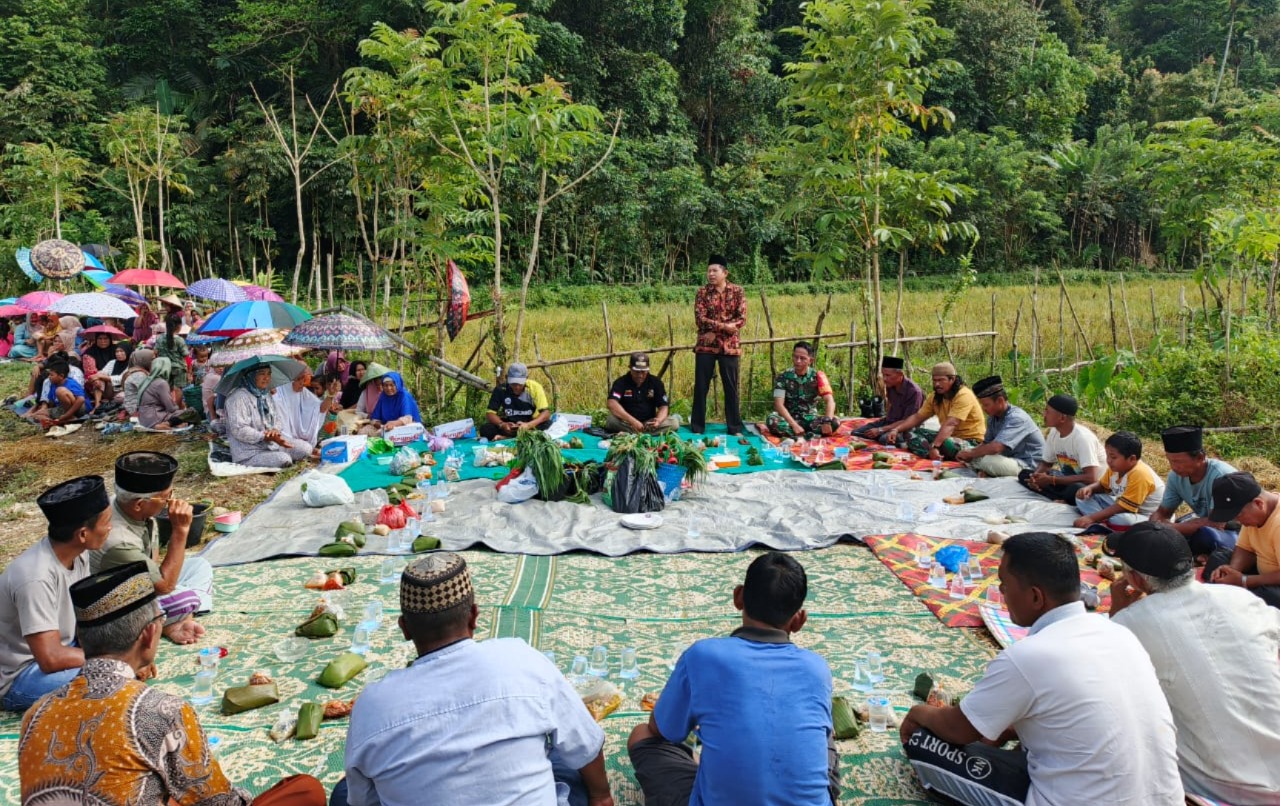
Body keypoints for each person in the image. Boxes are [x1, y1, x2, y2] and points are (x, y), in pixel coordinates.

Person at [900, 531, 1183, 806]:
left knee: (924, 741)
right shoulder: (1118, 633)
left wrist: (918, 713)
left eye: (1004, 584)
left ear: (1036, 597)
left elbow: (957, 730)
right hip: (1165, 798)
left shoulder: (1027, 656)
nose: (1002, 592)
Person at [19, 561, 326, 806]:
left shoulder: (35, 713)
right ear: (150, 635)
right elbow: (217, 801)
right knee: (305, 791)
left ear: (82, 640)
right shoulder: (161, 711)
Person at [335, 553, 614, 806]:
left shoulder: (372, 705)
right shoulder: (520, 658)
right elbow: (585, 745)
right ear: (474, 616)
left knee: (344, 792)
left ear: (405, 629)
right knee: (561, 761)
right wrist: (601, 797)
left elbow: (364, 801)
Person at [628, 552, 839, 806]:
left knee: (641, 736)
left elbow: (661, 729)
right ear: (798, 620)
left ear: (738, 596)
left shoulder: (703, 655)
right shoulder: (817, 668)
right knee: (823, 733)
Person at [1105, 521, 1280, 803]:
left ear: (1135, 579)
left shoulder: (1127, 624)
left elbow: (1108, 678)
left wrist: (1117, 613)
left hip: (1222, 784)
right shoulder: (1237, 596)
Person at [0, 476, 111, 711]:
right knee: (112, 680)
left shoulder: (79, 554)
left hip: (61, 649)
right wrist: (112, 661)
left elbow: (85, 617)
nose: (110, 529)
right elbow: (50, 658)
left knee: (125, 653)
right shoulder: (35, 577)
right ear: (82, 534)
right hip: (21, 674)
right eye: (107, 522)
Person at [91, 451, 213, 645]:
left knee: (200, 566)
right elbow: (165, 587)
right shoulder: (118, 540)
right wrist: (180, 531)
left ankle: (178, 618)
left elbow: (154, 566)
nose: (172, 501)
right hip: (118, 602)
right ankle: (174, 620)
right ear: (139, 504)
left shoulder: (130, 507)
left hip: (143, 583)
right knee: (185, 598)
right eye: (166, 497)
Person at [1150, 425, 1238, 559]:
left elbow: (1216, 523)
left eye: (1178, 462)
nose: (1174, 467)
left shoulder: (1223, 476)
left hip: (1233, 529)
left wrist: (1169, 528)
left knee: (1207, 536)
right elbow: (1163, 512)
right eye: (1170, 461)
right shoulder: (1175, 476)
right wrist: (1155, 525)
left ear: (1200, 457)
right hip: (1204, 523)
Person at [1204, 472, 1280, 608]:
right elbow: (1245, 548)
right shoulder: (1256, 513)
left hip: (1273, 585)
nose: (1239, 522)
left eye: (1239, 516)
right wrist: (1232, 570)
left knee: (1270, 596)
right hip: (1261, 576)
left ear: (1258, 503)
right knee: (1219, 559)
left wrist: (1244, 580)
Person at [882, 363, 985, 461]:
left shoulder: (963, 395)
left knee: (946, 443)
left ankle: (938, 452)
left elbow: (951, 423)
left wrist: (935, 445)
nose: (937, 384)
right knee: (910, 432)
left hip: (970, 442)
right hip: (947, 437)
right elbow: (917, 417)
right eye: (934, 380)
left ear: (952, 379)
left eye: (941, 380)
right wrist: (896, 429)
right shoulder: (935, 397)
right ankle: (934, 455)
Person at [691, 255, 746, 435]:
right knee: (701, 387)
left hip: (730, 347)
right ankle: (698, 427)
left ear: (725, 272)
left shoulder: (737, 291)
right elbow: (700, 320)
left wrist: (715, 329)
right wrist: (724, 327)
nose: (711, 274)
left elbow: (741, 319)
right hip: (706, 346)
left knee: (731, 387)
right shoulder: (702, 292)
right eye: (709, 271)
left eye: (715, 271)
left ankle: (734, 427)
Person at [950, 375, 1044, 478]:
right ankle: (985, 471)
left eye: (986, 405)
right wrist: (968, 453)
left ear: (1000, 401)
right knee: (966, 451)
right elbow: (986, 443)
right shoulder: (993, 417)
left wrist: (971, 454)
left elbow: (995, 448)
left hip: (1028, 466)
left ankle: (985, 470)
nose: (983, 408)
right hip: (1006, 459)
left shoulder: (1017, 418)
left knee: (987, 461)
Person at [1073, 430, 1165, 530]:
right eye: (1107, 455)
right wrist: (1089, 488)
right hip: (1123, 506)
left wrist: (1091, 517)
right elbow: (1103, 486)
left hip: (1145, 515)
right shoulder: (1115, 468)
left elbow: (1124, 507)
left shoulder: (1140, 474)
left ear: (1132, 459)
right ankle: (1101, 522)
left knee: (1120, 520)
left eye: (1113, 457)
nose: (1108, 460)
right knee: (1082, 497)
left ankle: (1099, 520)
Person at [1019, 394, 1104, 501]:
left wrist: (1052, 479)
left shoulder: (1082, 438)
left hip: (1092, 487)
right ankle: (1061, 498)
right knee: (1025, 474)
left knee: (1076, 489)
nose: (1044, 414)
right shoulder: (1054, 433)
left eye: (1048, 412)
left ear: (1062, 418)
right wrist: (1035, 478)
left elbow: (1091, 478)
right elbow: (1046, 464)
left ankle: (1062, 497)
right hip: (1066, 479)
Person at [225, 365, 309, 468]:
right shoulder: (237, 398)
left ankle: (277, 454)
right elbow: (239, 429)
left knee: (305, 449)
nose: (267, 378)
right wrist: (265, 436)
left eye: (269, 373)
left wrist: (275, 430)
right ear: (250, 375)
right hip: (249, 452)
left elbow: (277, 419)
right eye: (262, 374)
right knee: (283, 459)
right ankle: (247, 462)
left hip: (272, 445)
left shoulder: (265, 394)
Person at [765, 341, 840, 438]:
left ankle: (798, 435)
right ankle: (808, 436)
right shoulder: (783, 377)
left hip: (810, 421)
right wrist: (794, 425)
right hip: (789, 419)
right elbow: (778, 404)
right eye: (795, 357)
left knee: (835, 421)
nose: (798, 361)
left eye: (802, 358)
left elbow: (830, 400)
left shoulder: (817, 376)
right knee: (772, 420)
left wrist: (827, 421)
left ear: (810, 360)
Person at [854, 356, 924, 445]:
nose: (884, 379)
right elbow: (890, 406)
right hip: (889, 422)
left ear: (900, 375)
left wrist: (881, 430)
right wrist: (883, 426)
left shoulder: (914, 392)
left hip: (906, 427)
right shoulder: (890, 385)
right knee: (857, 432)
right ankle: (882, 436)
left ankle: (905, 442)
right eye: (883, 375)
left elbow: (908, 421)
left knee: (884, 439)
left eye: (888, 375)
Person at [605, 352, 680, 434]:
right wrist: (632, 421)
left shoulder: (655, 382)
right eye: (637, 372)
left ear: (648, 369)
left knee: (674, 423)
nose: (640, 375)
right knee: (611, 421)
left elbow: (663, 406)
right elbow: (611, 403)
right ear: (630, 368)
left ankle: (637, 432)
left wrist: (658, 420)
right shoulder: (621, 382)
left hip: (649, 423)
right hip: (627, 423)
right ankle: (640, 431)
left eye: (643, 372)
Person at [480, 363, 551, 439]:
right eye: (513, 383)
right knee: (485, 429)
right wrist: (502, 424)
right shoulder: (500, 389)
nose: (517, 387)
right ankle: (522, 436)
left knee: (547, 424)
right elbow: (490, 413)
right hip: (510, 424)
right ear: (507, 378)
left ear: (526, 378)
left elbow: (546, 413)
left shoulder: (535, 387)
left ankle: (508, 437)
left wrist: (528, 425)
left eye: (520, 384)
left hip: (530, 423)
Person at [275, 365, 329, 457]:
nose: (302, 383)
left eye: (304, 379)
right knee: (305, 448)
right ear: (289, 380)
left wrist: (331, 395)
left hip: (297, 441)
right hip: (279, 440)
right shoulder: (277, 396)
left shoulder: (303, 392)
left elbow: (319, 408)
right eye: (299, 379)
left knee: (306, 447)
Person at [135, 356, 195, 430]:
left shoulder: (147, 380)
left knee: (182, 414)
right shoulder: (161, 383)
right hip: (155, 418)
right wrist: (182, 407)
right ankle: (166, 424)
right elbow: (171, 408)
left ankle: (175, 424)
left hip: (144, 419)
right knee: (192, 412)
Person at [28, 358, 90, 430]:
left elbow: (81, 399)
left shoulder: (71, 383)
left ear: (61, 376)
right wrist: (44, 412)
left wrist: (67, 415)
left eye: (52, 375)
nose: (49, 377)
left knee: (60, 391)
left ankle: (70, 418)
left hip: (79, 409)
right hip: (63, 409)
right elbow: (51, 402)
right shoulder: (53, 384)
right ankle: (54, 422)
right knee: (35, 415)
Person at [120, 348, 155, 416]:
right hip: (135, 408)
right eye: (152, 359)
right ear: (144, 360)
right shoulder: (139, 374)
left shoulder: (140, 371)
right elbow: (148, 393)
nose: (155, 361)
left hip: (139, 405)